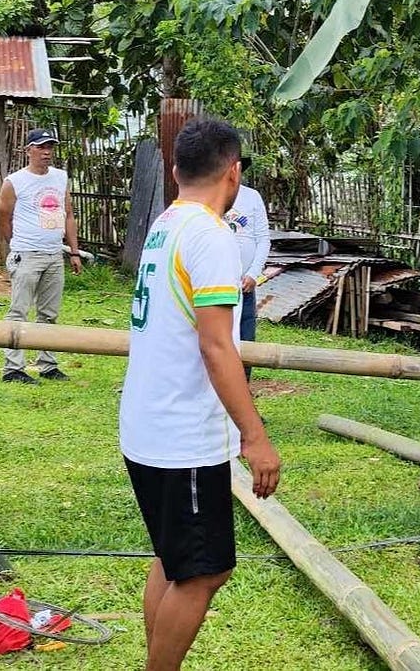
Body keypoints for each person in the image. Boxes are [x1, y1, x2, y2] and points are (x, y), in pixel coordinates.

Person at [120, 119, 281, 671]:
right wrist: (255, 438)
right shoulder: (212, 236)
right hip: (182, 434)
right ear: (233, 172)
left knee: (174, 560)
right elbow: (217, 347)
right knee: (206, 570)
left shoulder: (166, 224)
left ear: (175, 170)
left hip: (146, 424)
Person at [0, 127, 83, 384]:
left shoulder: (60, 178)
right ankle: (13, 368)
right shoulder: (15, 181)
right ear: (29, 150)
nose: (47, 152)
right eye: (41, 147)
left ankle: (48, 364)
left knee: (49, 313)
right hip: (26, 253)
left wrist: (74, 252)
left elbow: (68, 214)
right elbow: (3, 216)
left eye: (50, 147)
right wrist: (16, 244)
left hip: (54, 253)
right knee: (18, 311)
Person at [224, 153, 270, 380]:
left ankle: (243, 396)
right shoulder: (213, 198)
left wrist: (253, 274)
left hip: (245, 286)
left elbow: (263, 239)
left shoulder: (252, 197)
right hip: (219, 284)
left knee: (245, 341)